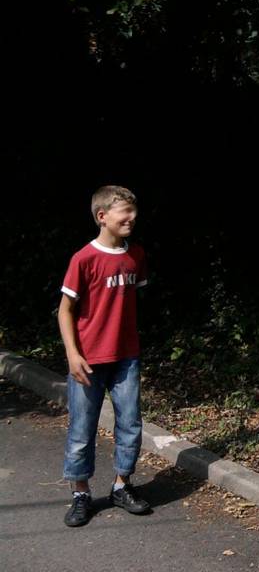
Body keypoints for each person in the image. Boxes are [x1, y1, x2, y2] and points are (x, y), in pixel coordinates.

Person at [59, 185, 151, 527]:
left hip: (126, 357)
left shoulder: (136, 255)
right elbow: (65, 310)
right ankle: (81, 493)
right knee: (82, 429)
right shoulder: (84, 259)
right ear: (102, 217)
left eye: (134, 211)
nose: (132, 217)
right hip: (88, 359)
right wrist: (72, 353)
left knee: (131, 424)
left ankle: (122, 485)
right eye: (124, 212)